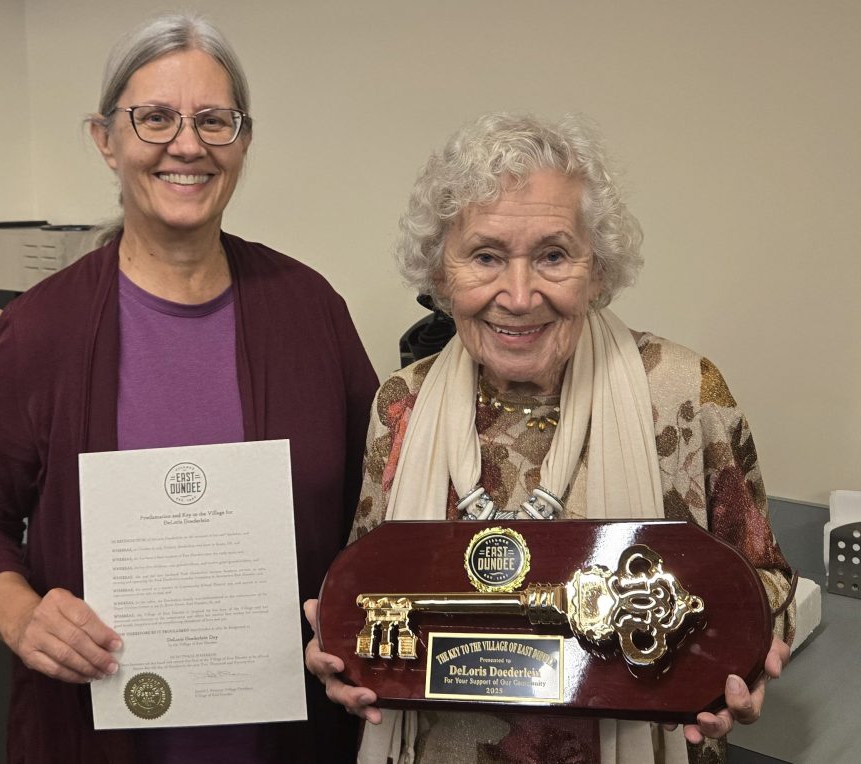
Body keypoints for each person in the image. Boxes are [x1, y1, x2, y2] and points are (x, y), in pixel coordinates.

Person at [0, 12, 377, 764]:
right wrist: (20, 615)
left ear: (241, 142)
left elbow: (381, 504)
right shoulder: (41, 331)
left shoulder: (310, 311)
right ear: (106, 140)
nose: (188, 144)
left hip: (293, 737)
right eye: (155, 118)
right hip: (94, 732)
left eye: (214, 120)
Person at [304, 113, 795, 764]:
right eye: (485, 256)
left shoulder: (682, 392)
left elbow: (769, 584)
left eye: (553, 255)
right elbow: (370, 588)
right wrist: (339, 647)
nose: (518, 294)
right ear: (442, 273)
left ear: (596, 268)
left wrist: (748, 655)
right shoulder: (403, 404)